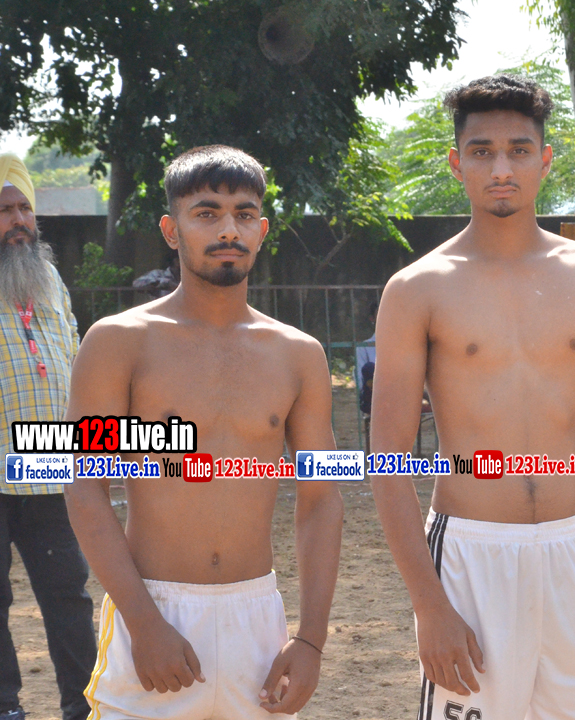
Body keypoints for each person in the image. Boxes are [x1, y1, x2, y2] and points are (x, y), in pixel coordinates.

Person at [370, 75, 575, 720]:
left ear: (545, 159)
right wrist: (429, 605)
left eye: (519, 151)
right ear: (457, 163)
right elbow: (387, 456)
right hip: (469, 554)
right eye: (482, 152)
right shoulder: (416, 289)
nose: (501, 169)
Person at [63, 145, 343, 720]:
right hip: (153, 610)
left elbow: (321, 497)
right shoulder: (118, 342)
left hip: (256, 621)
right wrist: (143, 621)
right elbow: (85, 487)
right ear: (172, 230)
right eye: (207, 213)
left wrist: (312, 639)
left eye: (244, 214)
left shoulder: (298, 354)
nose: (228, 229)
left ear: (261, 231)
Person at [0, 154, 97, 720]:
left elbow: (76, 355)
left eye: (24, 208)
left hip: (51, 467)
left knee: (69, 597)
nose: (18, 220)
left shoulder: (50, 279)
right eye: (4, 211)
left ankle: (84, 707)